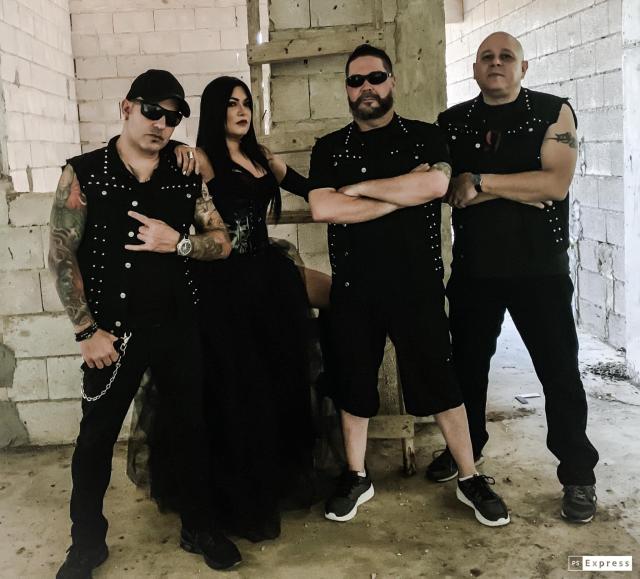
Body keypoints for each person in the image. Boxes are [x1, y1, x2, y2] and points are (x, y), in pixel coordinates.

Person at [308, 44, 510, 527]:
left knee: (442, 381)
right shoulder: (329, 147)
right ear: (347, 89)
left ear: (392, 81)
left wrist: (358, 190)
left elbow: (436, 187)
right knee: (353, 384)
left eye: (375, 77)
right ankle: (356, 475)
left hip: (416, 285)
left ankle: (468, 475)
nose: (366, 88)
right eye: (356, 80)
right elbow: (323, 207)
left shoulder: (425, 136)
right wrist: (401, 192)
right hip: (354, 288)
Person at [50, 69, 241, 578]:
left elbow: (223, 241)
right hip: (112, 334)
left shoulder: (185, 172)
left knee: (192, 430)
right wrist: (86, 331)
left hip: (177, 326)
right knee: (95, 440)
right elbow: (61, 254)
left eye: (172, 117)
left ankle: (198, 527)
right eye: (152, 111)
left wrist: (179, 242)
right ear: (126, 108)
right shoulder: (83, 172)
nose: (161, 124)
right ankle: (86, 543)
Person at [144, 75, 331, 543]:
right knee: (237, 389)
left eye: (246, 102)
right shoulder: (200, 158)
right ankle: (233, 495)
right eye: (231, 103)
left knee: (281, 376)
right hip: (224, 283)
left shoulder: (262, 156)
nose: (242, 110)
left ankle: (280, 472)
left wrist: (362, 196)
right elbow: (166, 185)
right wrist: (177, 148)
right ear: (215, 110)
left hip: (268, 274)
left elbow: (311, 189)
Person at [428, 32, 599, 523]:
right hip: (476, 269)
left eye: (507, 57)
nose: (496, 63)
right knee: (467, 369)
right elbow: (448, 190)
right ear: (475, 69)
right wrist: (523, 185)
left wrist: (481, 181)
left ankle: (578, 474)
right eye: (487, 57)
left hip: (540, 269)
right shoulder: (452, 122)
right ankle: (466, 450)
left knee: (559, 372)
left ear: (523, 67)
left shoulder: (553, 111)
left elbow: (555, 184)